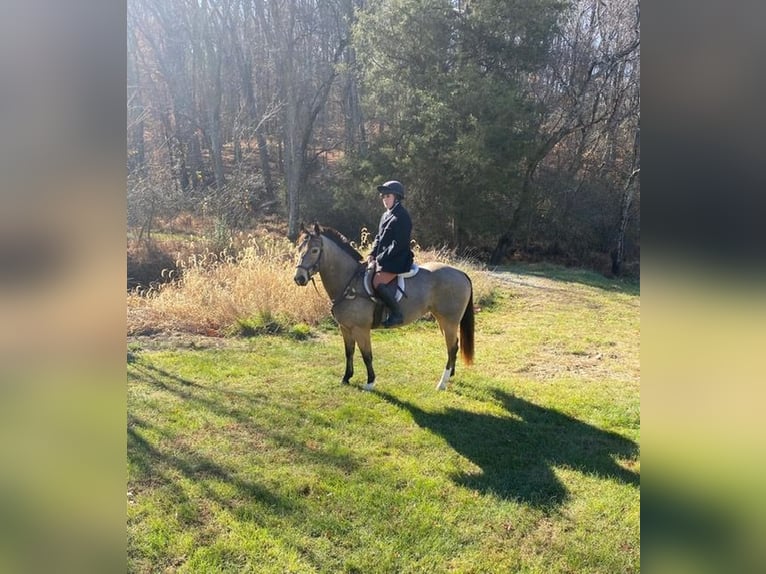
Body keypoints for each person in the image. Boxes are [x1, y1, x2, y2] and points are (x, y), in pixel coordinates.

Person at [367, 180, 414, 327]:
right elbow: (378, 237)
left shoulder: (402, 216)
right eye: (383, 196)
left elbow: (398, 244)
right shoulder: (385, 215)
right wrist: (372, 253)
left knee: (377, 282)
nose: (384, 199)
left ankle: (397, 314)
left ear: (397, 197)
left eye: (387, 196)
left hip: (398, 259)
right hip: (385, 258)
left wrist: (379, 258)